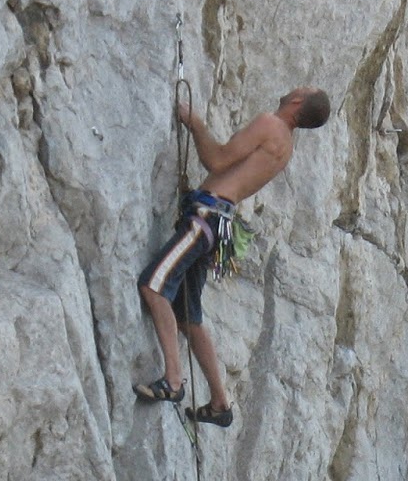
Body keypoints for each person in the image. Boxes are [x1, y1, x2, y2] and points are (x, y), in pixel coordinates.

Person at [136, 86, 330, 426]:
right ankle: (220, 402)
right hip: (219, 221)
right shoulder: (286, 146)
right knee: (189, 318)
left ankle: (173, 380)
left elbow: (217, 159)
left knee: (153, 286)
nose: (293, 88)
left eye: (301, 88)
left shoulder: (270, 124)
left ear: (298, 101)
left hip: (205, 218)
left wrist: (194, 122)